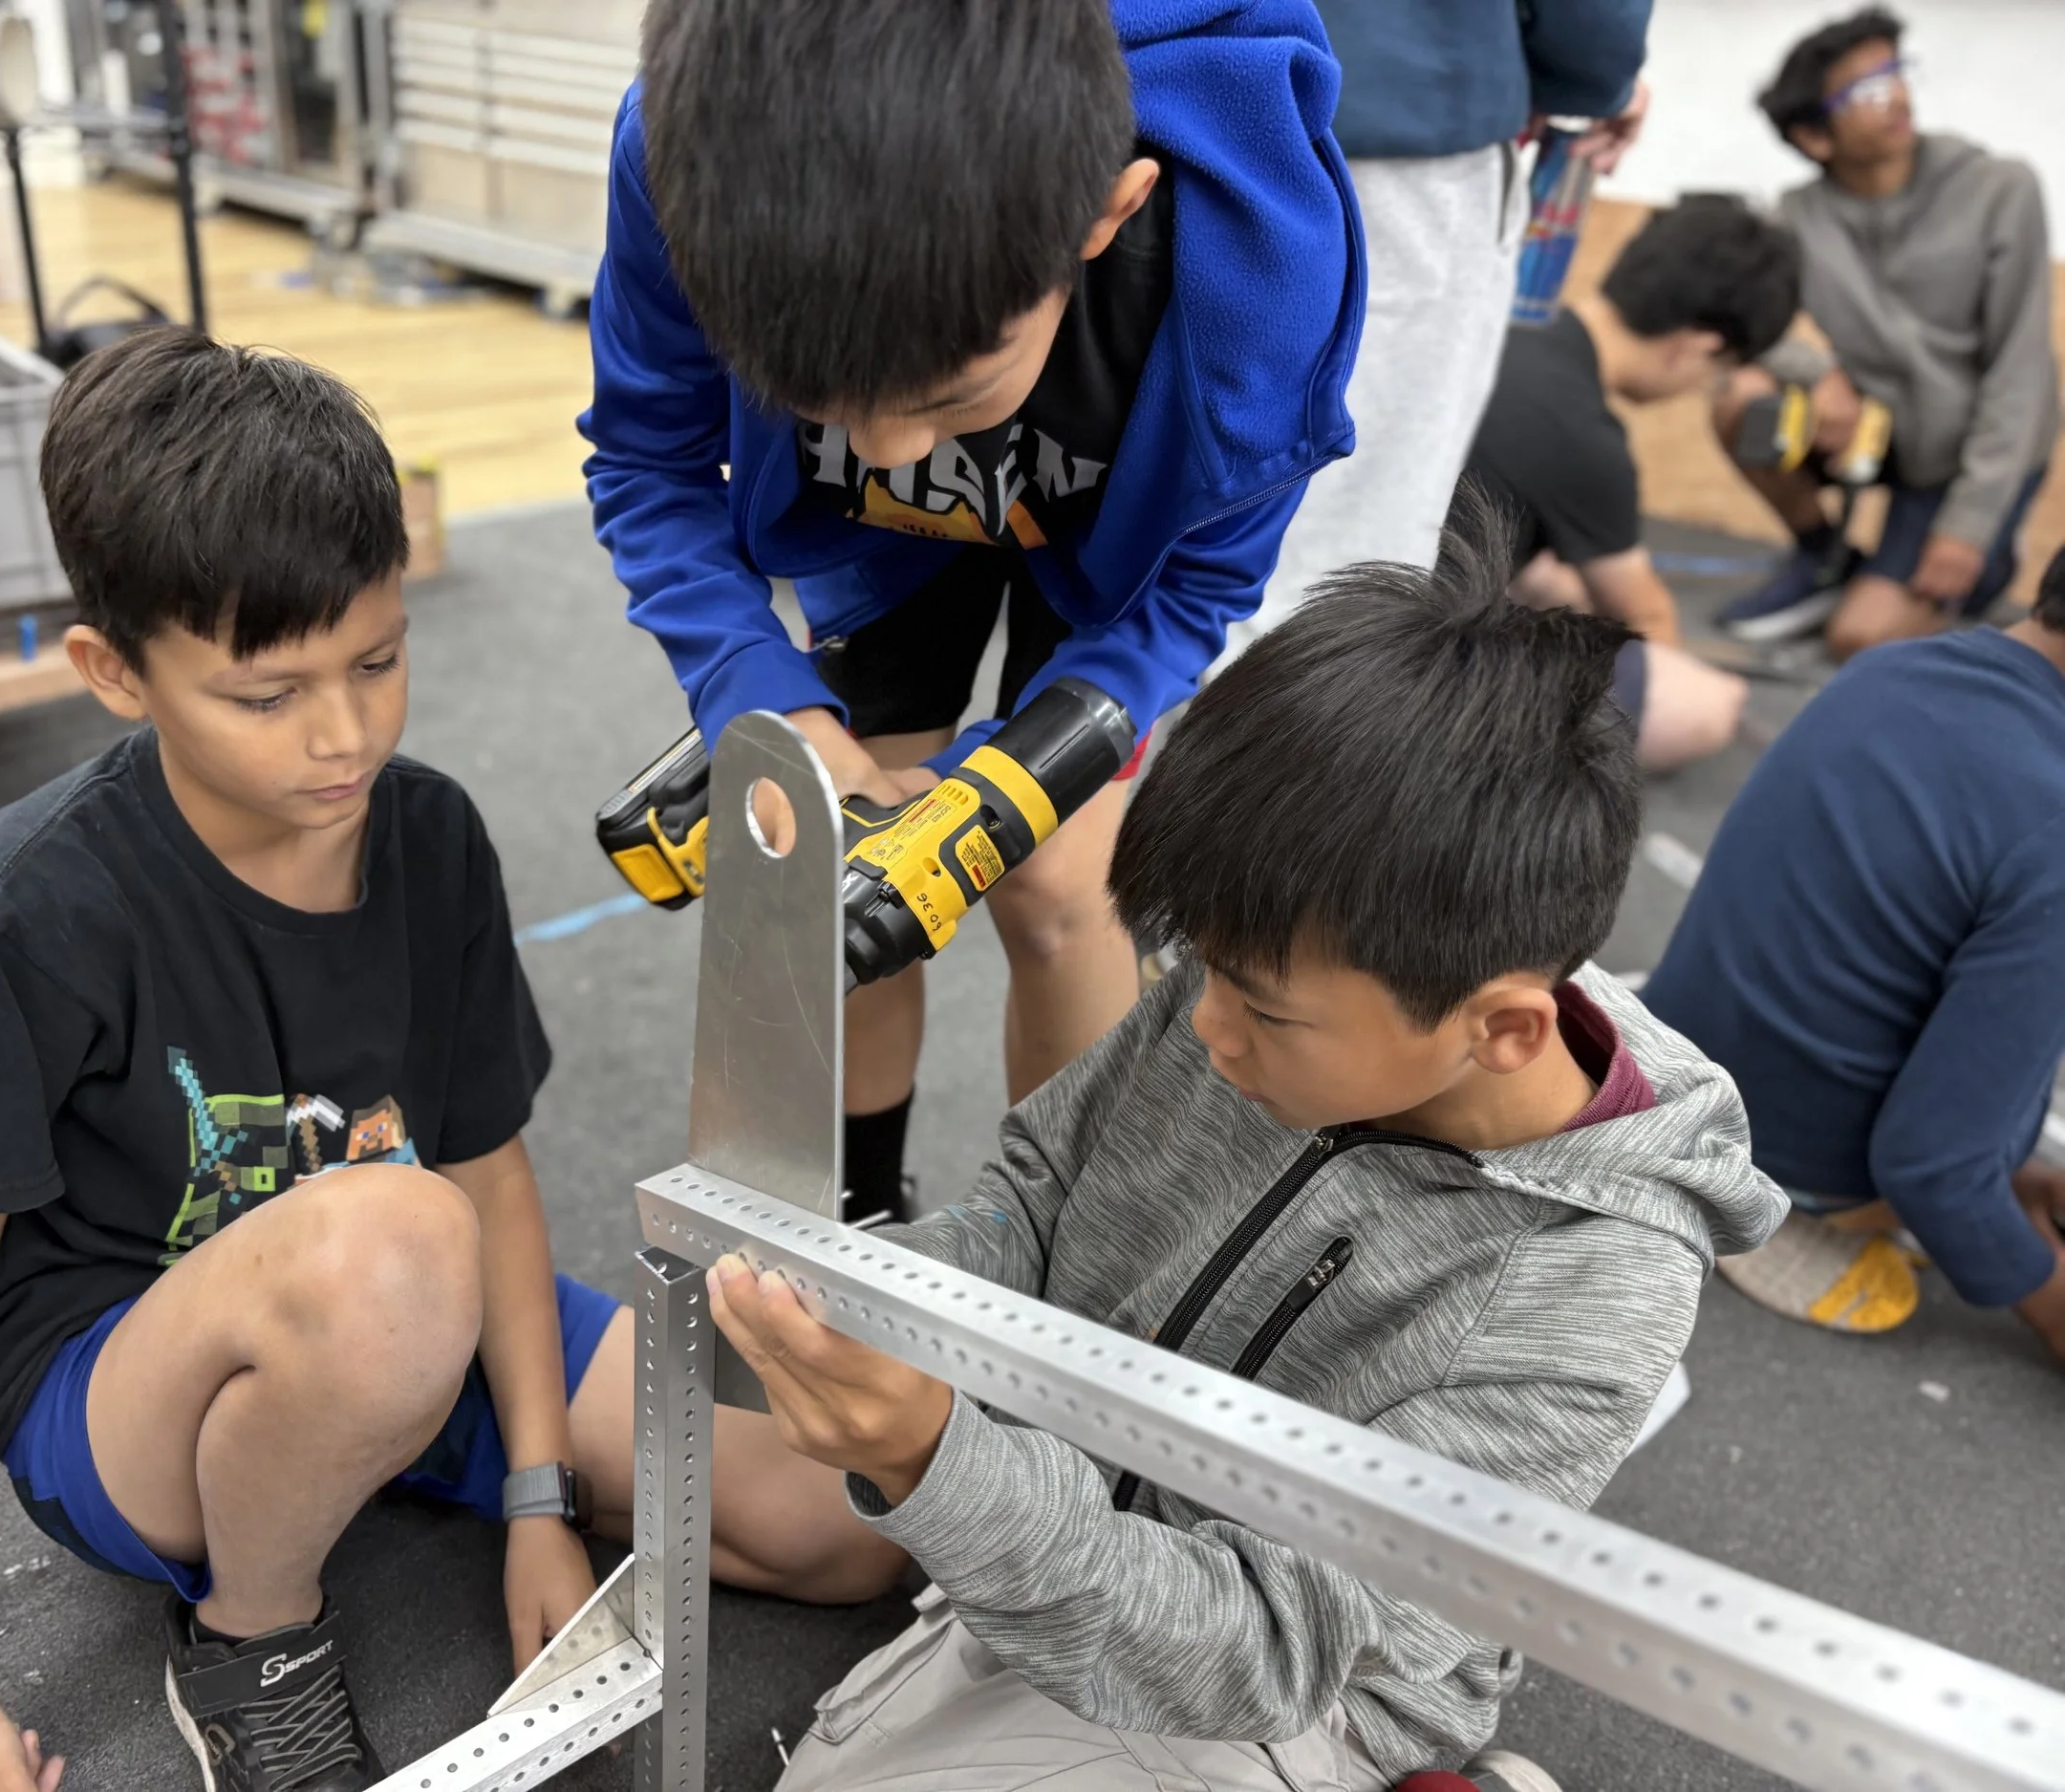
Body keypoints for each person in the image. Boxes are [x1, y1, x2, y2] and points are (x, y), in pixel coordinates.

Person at [0, 333, 900, 1792]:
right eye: (267, 695)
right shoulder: (10, 914)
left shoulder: (428, 834)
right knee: (397, 1238)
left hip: (400, 1313)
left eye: (377, 658)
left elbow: (486, 1156)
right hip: (127, 1395)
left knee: (842, 1528)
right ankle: (251, 1632)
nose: (343, 734)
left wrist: (543, 1492)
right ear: (112, 671)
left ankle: (376, 1439)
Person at [706, 512, 1786, 1792]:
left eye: (1261, 1007)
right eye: (1197, 968)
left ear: (1500, 1028)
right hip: (1068, 1500)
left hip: (1293, 1686)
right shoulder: (1294, 954)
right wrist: (884, 1298)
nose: (1200, 1023)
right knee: (689, 1431)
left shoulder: (1595, 1288)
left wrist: (937, 1455)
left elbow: (1268, 1647)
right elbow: (1039, 1199)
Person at [580, 0, 1364, 1222]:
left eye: (950, 392)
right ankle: (847, 1212)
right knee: (824, 847)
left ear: (1108, 210)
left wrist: (1017, 784)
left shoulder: (1261, 245)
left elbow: (1199, 586)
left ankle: (1055, 1259)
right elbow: (647, 461)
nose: (887, 449)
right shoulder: (681, 155)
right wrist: (752, 686)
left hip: (1118, 544)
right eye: (817, 400)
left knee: (1055, 887)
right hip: (868, 556)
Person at [1643, 543, 2065, 1362]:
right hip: (1787, 1169)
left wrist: (2005, 1172)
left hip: (1679, 1072)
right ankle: (1814, 1209)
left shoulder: (1895, 666)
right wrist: (2047, 1295)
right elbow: (1933, 1168)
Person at [1227, 0, 1653, 656]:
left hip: (1124, 95)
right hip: (1398, 126)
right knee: (1331, 575)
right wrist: (1595, 79)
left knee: (1105, 522)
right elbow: (1594, 37)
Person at [1712, 9, 2056, 654]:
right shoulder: (1797, 216)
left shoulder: (2000, 189)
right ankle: (1824, 558)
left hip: (1966, 459)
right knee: (1741, 397)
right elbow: (1749, 328)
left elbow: (2022, 375)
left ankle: (1981, 564)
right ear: (1816, 138)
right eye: (1867, 91)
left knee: (1857, 639)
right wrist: (1821, 375)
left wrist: (1969, 527)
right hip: (1876, 434)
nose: (1897, 96)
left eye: (1896, 74)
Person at [1456, 196, 1799, 770]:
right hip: (1392, 656)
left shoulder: (1506, 324)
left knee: (1554, 581)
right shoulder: (1588, 439)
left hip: (1340, 578)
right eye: (1716, 375)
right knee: (1705, 705)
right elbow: (1648, 621)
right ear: (1701, 345)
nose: (1703, 386)